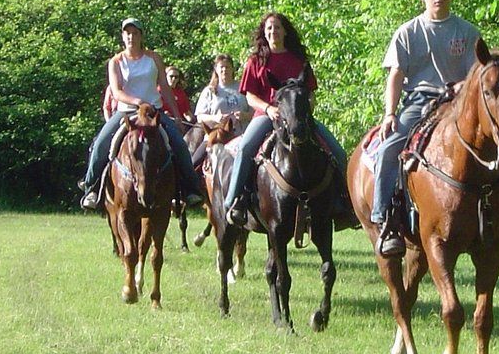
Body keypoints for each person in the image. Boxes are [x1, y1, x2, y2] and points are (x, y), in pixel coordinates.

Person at [371, 0, 499, 257]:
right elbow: (396, 75)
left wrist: (459, 89)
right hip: (419, 101)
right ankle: (385, 220)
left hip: (459, 100)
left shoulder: (467, 32)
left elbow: (478, 74)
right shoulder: (407, 32)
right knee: (390, 146)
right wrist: (390, 113)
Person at [222, 13, 350, 226]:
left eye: (278, 27)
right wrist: (268, 108)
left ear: (285, 31)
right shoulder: (255, 61)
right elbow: (250, 95)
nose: (274, 32)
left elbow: (310, 93)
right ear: (264, 32)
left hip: (299, 118)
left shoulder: (298, 60)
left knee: (337, 151)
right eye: (269, 28)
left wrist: (306, 108)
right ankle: (235, 201)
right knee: (245, 148)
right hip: (266, 116)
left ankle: (343, 203)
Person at [79, 18, 206, 210]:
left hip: (153, 111)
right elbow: (116, 91)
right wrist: (138, 101)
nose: (131, 37)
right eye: (127, 33)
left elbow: (164, 87)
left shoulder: (154, 58)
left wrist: (176, 116)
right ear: (123, 37)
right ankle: (91, 188)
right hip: (127, 112)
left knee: (179, 144)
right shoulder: (116, 62)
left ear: (141, 36)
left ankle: (190, 189)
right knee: (101, 143)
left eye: (135, 33)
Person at [194, 54, 251, 134]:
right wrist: (215, 118)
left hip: (243, 134)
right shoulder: (209, 91)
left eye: (227, 67)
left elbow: (256, 112)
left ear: (232, 69)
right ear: (216, 69)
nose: (224, 70)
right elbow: (199, 117)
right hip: (217, 136)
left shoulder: (244, 87)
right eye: (221, 67)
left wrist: (245, 116)